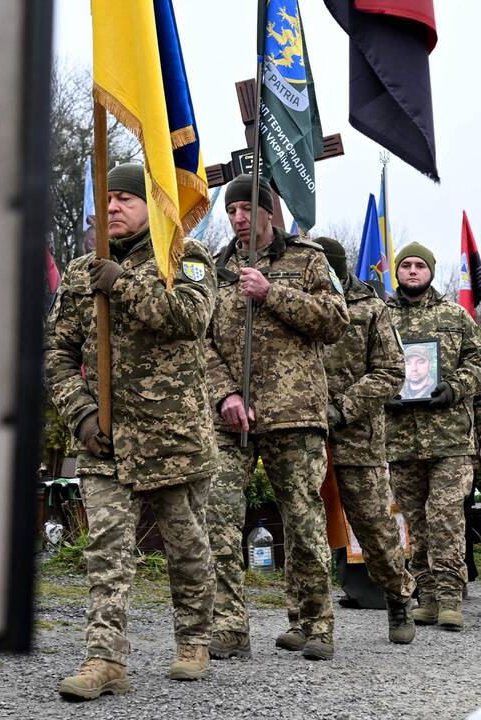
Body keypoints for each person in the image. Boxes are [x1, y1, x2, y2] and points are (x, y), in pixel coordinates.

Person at [44, 162, 218, 698]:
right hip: (106, 440)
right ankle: (105, 660)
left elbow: (191, 319)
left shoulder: (185, 257)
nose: (113, 208)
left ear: (152, 206)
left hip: (174, 439)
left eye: (126, 198)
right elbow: (56, 352)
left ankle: (193, 640)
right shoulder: (80, 271)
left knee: (186, 546)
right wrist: (80, 413)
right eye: (109, 199)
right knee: (107, 551)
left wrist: (124, 286)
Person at [204, 174, 348, 662]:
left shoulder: (307, 258)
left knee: (303, 520)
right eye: (231, 212)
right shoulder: (215, 267)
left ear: (269, 212)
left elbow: (335, 322)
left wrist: (272, 294)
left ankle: (315, 623)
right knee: (219, 517)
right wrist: (224, 392)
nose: (239, 219)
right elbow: (198, 339)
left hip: (294, 413)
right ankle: (228, 627)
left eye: (247, 210)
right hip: (231, 418)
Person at [282, 236, 413, 647]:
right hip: (302, 433)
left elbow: (391, 371)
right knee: (304, 527)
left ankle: (398, 599)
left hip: (357, 439)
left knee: (374, 527)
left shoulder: (371, 308)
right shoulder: (295, 307)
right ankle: (303, 617)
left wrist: (345, 407)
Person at [385, 242, 481, 631]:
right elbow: (367, 363)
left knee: (445, 517)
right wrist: (384, 391)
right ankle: (424, 596)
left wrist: (455, 387)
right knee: (416, 522)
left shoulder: (455, 316)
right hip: (402, 438)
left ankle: (449, 598)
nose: (411, 271)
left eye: (419, 266)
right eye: (405, 265)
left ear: (430, 272)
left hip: (450, 439)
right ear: (397, 272)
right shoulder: (381, 316)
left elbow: (477, 361)